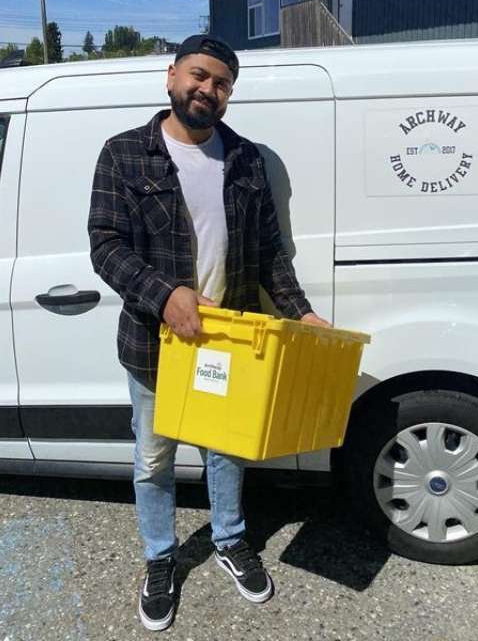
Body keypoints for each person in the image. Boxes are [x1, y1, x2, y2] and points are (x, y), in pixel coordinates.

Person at [88, 34, 329, 632]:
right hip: (155, 344)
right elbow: (105, 245)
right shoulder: (124, 154)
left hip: (229, 343)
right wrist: (164, 295)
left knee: (225, 450)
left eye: (222, 84)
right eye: (199, 76)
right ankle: (160, 557)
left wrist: (300, 312)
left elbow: (270, 252)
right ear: (171, 76)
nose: (208, 90)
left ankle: (229, 539)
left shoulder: (245, 159)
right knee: (154, 459)